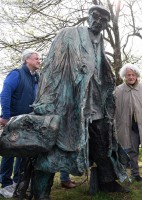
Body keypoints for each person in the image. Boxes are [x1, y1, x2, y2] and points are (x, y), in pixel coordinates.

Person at [25, 5, 128, 199]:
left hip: (96, 107)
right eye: (95, 16)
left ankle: (107, 182)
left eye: (104, 19)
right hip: (68, 105)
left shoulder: (101, 43)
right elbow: (51, 69)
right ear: (88, 17)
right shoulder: (69, 34)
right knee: (53, 151)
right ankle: (41, 192)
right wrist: (46, 100)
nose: (99, 20)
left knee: (103, 144)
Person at [0, 49, 40, 198]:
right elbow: (5, 94)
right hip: (12, 120)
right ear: (27, 60)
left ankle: (18, 181)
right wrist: (5, 116)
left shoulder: (36, 77)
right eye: (36, 58)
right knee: (9, 152)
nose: (39, 61)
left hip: (27, 120)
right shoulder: (16, 74)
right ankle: (5, 184)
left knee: (23, 152)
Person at [115, 63, 142, 183]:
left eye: (133, 74)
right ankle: (135, 174)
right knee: (133, 151)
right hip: (128, 128)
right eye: (128, 75)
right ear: (124, 76)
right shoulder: (118, 90)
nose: (130, 77)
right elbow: (114, 110)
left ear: (136, 75)